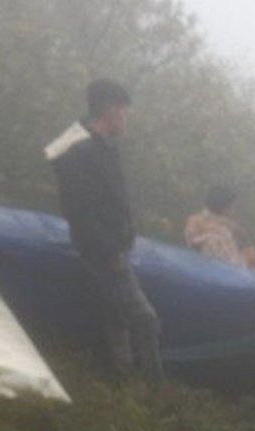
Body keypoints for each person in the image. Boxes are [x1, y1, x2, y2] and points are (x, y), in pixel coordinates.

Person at [45, 78, 163, 384]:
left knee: (116, 319)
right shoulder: (81, 152)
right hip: (103, 250)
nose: (126, 119)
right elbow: (80, 210)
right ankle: (154, 387)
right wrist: (111, 250)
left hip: (112, 246)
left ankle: (123, 384)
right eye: (124, 112)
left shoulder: (102, 147)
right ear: (109, 111)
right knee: (144, 318)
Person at [183, 186, 246, 266]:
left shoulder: (193, 221)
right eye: (233, 207)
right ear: (225, 208)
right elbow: (234, 265)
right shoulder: (222, 232)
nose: (234, 211)